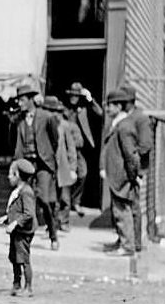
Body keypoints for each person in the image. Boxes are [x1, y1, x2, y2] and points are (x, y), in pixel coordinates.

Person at [13, 83, 61, 251]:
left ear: (31, 100)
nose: (20, 103)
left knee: (43, 199)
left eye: (23, 100)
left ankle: (53, 235)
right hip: (27, 163)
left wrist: (49, 157)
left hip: (43, 164)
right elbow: (17, 142)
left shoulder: (47, 117)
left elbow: (55, 140)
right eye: (18, 100)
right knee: (25, 199)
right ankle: (26, 236)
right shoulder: (19, 120)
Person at [101, 88, 139, 257]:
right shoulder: (118, 124)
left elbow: (131, 155)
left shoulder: (125, 127)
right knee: (117, 210)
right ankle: (121, 241)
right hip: (116, 176)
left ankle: (128, 246)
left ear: (118, 106)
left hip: (122, 177)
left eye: (109, 105)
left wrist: (132, 177)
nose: (107, 109)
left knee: (122, 211)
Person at [119, 84, 156, 247]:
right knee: (126, 203)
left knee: (133, 205)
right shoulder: (128, 116)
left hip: (135, 169)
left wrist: (137, 167)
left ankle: (135, 243)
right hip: (127, 168)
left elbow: (146, 145)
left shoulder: (140, 118)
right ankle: (124, 238)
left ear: (129, 101)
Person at [64, 82, 103, 215]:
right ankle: (66, 205)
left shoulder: (84, 108)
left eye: (76, 96)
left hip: (79, 148)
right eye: (72, 95)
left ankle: (75, 201)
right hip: (66, 147)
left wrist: (90, 99)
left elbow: (100, 113)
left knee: (82, 173)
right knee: (67, 175)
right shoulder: (64, 108)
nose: (73, 98)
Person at [0, 159, 36, 297]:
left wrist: (14, 223)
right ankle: (16, 283)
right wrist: (7, 218)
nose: (8, 177)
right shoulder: (18, 191)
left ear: (17, 175)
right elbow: (16, 210)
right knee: (14, 257)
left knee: (23, 258)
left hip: (23, 231)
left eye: (11, 174)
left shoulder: (26, 192)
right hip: (16, 231)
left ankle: (28, 287)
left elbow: (28, 213)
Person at [43, 96, 77, 233]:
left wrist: (73, 168)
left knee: (64, 197)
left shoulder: (64, 126)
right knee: (51, 197)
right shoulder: (43, 125)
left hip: (63, 166)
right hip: (50, 166)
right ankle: (52, 223)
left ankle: (64, 221)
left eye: (55, 111)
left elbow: (71, 147)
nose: (53, 114)